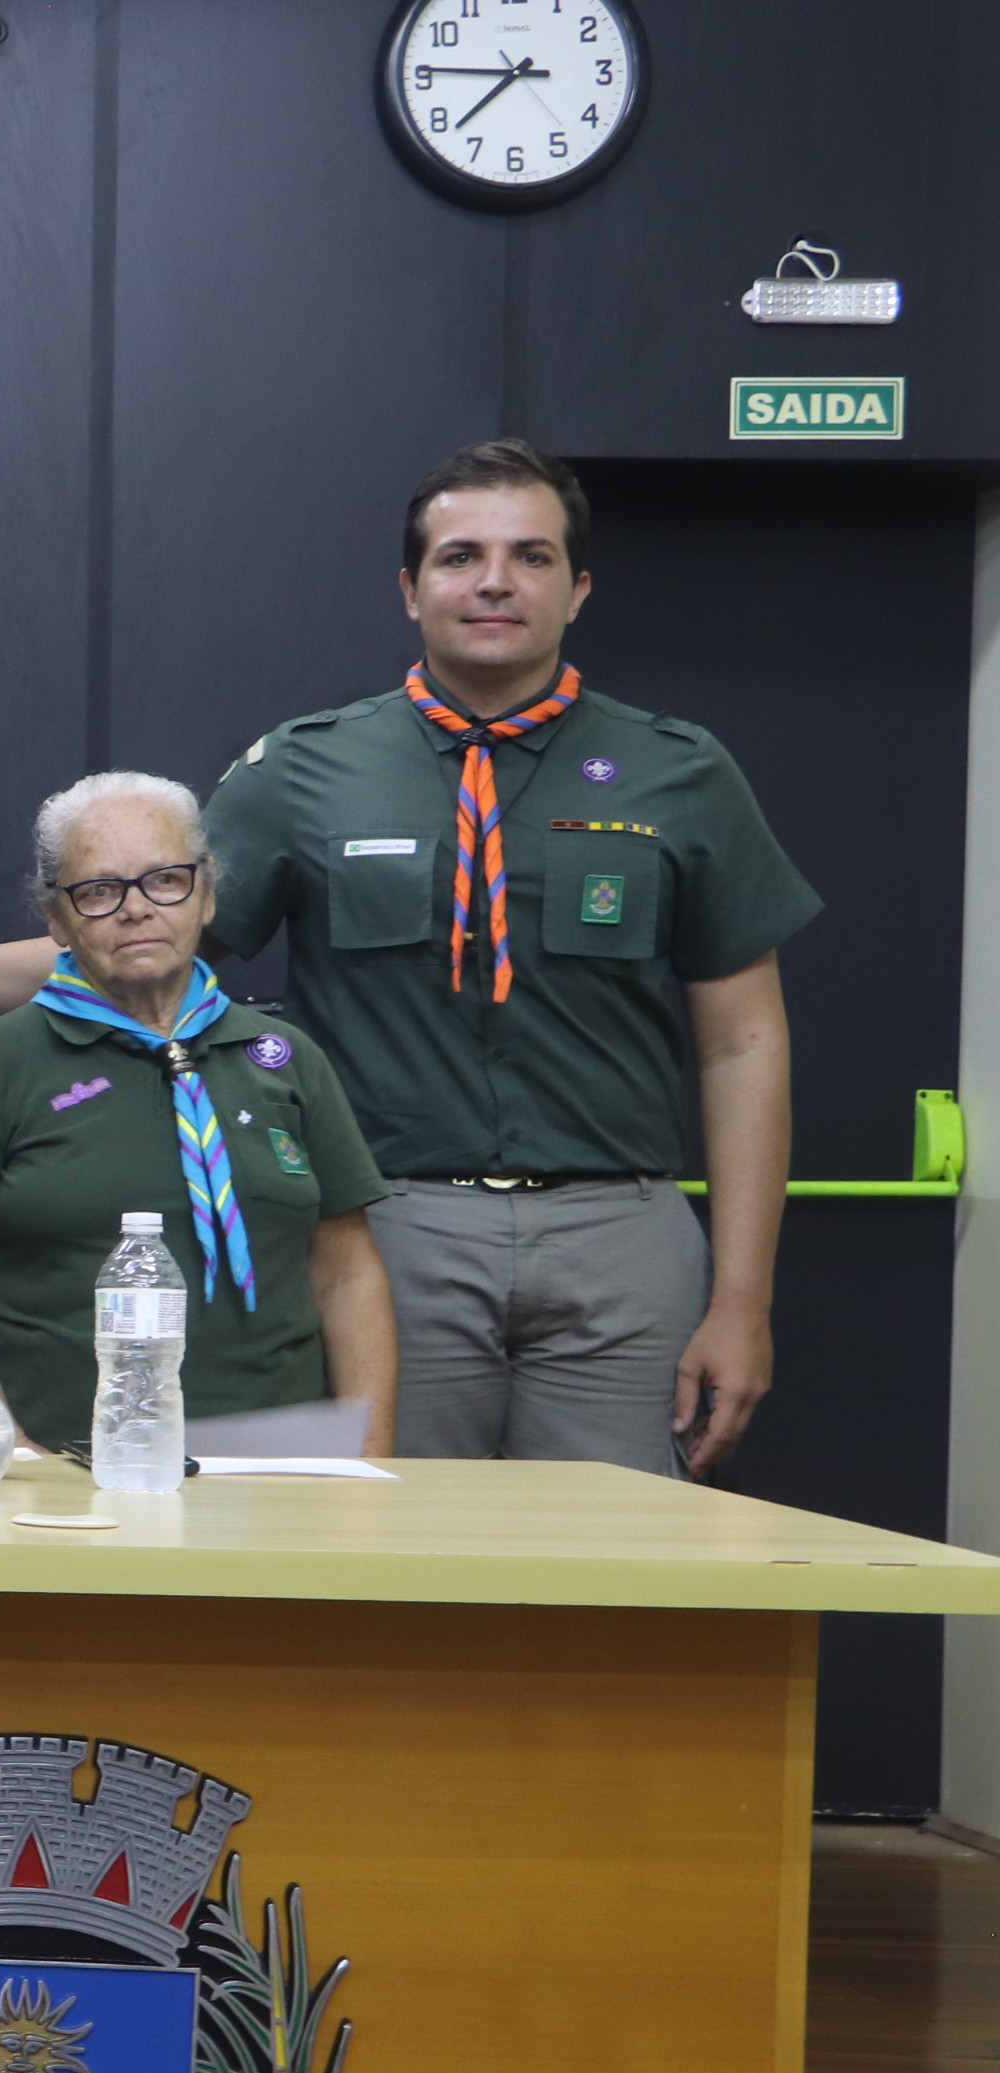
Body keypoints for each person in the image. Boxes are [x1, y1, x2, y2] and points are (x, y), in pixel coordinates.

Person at [200, 441, 813, 1476]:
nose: (493, 580)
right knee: (390, 1559)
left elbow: (744, 1045)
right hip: (388, 1232)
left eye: (531, 556)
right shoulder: (305, 767)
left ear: (578, 590)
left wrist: (743, 1302)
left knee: (614, 1579)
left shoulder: (680, 769)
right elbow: (146, 945)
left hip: (620, 1236)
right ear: (410, 588)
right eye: (459, 556)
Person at [0, 774, 399, 1453]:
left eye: (164, 880)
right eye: (99, 891)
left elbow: (347, 1274)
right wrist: (2, 1442)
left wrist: (367, 1457)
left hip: (284, 1462)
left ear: (208, 890)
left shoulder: (285, 1058)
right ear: (55, 917)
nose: (136, 909)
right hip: (67, 1459)